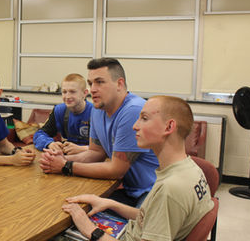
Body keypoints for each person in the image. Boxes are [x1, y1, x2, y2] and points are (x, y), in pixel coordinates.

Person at [62, 96, 215, 241]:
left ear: (169, 126)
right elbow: (151, 217)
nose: (135, 126)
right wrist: (109, 203)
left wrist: (90, 230)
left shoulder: (170, 189)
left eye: (144, 118)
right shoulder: (191, 169)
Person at [39, 58, 158, 207]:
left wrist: (65, 166)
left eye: (100, 82)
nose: (93, 89)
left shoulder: (133, 110)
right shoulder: (98, 109)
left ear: (119, 84)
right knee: (68, 207)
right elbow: (95, 153)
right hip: (129, 190)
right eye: (90, 83)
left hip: (152, 192)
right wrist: (59, 159)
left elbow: (116, 170)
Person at [33, 73, 92, 155]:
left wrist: (82, 149)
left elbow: (110, 146)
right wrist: (49, 144)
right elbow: (39, 134)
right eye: (64, 92)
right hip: (67, 158)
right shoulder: (59, 110)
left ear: (85, 93)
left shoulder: (98, 112)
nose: (67, 96)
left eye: (72, 92)